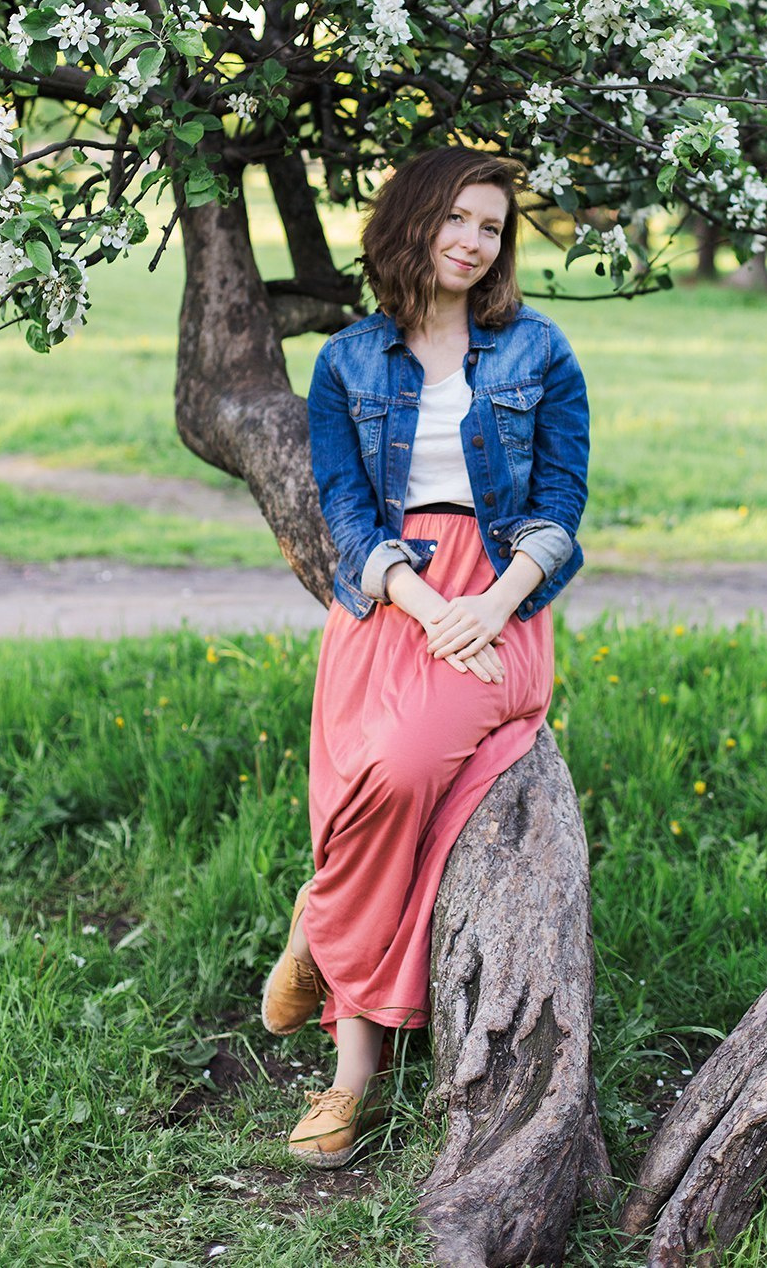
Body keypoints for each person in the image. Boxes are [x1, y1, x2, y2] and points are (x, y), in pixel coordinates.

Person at [263, 145, 590, 1167]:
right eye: (457, 218)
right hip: (385, 601)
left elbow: (562, 504)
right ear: (413, 221)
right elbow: (346, 511)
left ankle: (322, 933)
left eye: (491, 227)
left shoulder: (539, 351)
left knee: (403, 774)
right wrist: (416, 596)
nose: (473, 240)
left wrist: (489, 604)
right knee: (362, 792)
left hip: (500, 599)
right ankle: (348, 1076)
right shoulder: (348, 362)